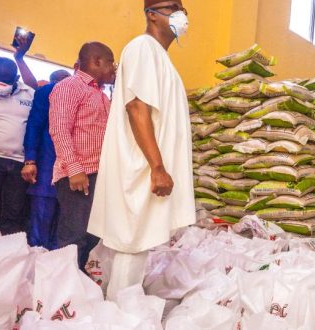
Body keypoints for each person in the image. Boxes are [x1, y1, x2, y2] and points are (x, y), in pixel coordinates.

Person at [88, 0, 195, 299]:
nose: (181, 14)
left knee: (137, 244)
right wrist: (158, 167)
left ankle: (121, 308)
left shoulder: (160, 57)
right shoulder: (142, 48)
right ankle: (120, 315)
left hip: (148, 167)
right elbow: (137, 107)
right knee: (132, 243)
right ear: (151, 14)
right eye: (174, 6)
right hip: (142, 168)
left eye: (183, 9)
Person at [49, 43, 116, 270]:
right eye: (110, 62)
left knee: (92, 237)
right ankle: (63, 291)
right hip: (78, 175)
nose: (114, 67)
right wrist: (75, 169)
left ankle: (81, 289)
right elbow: (59, 129)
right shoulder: (69, 86)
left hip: (98, 174)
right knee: (73, 236)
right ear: (96, 61)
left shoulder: (100, 94)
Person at [21, 68, 73, 250]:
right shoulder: (47, 92)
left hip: (72, 172)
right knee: (40, 226)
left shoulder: (88, 94)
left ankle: (52, 268)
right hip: (46, 166)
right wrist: (30, 160)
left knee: (63, 231)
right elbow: (34, 126)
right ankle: (36, 266)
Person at [0, 57, 35, 235]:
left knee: (13, 210)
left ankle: (6, 252)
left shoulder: (29, 94)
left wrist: (20, 57)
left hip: (20, 163)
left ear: (16, 78)